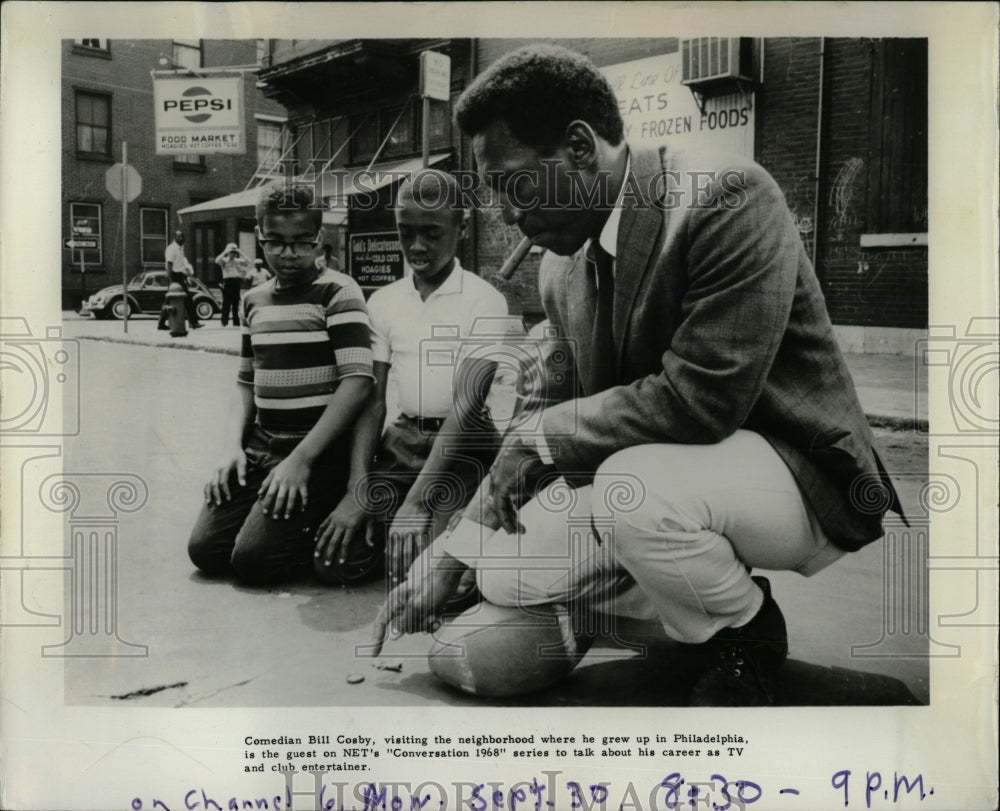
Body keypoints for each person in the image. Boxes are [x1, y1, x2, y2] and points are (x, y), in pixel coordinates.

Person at [372, 44, 905, 706]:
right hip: (668, 480)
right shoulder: (559, 267)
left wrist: (537, 437)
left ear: (576, 146)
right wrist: (449, 558)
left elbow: (700, 399)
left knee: (634, 489)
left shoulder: (727, 196)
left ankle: (744, 631)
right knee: (501, 573)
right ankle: (637, 602)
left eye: (512, 185)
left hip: (796, 474)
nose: (507, 215)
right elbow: (546, 428)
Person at [314, 169, 512, 586]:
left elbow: (465, 406)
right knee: (336, 562)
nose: (417, 247)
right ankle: (399, 532)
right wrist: (359, 486)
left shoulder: (485, 301)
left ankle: (431, 535)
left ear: (462, 227)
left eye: (432, 233)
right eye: (406, 232)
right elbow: (373, 399)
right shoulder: (384, 301)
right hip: (403, 441)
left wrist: (418, 502)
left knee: (437, 575)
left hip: (465, 444)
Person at [187, 185, 374, 585]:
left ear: (318, 239)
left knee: (253, 563)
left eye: (301, 243)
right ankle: (273, 514)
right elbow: (245, 383)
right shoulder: (253, 299)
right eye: (275, 242)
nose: (288, 254)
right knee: (205, 551)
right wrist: (231, 450)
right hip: (261, 446)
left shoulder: (339, 292)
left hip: (316, 451)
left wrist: (302, 460)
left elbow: (357, 382)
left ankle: (315, 516)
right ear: (260, 236)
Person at [157, 230, 202, 330]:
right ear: (174, 238)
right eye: (179, 237)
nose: (182, 239)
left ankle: (193, 323)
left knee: (184, 300)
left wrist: (186, 277)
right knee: (173, 300)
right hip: (174, 276)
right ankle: (193, 323)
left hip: (180, 276)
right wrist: (171, 282)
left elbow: (181, 265)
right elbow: (169, 266)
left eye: (183, 237)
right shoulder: (172, 249)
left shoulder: (180, 249)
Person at [215, 242, 250, 327]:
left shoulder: (237, 261)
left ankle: (236, 322)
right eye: (231, 252)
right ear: (228, 252)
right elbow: (216, 260)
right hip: (227, 282)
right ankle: (224, 322)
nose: (233, 254)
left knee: (236, 303)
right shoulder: (224, 261)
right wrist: (225, 251)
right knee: (226, 303)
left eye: (234, 252)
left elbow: (249, 261)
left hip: (236, 282)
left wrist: (240, 252)